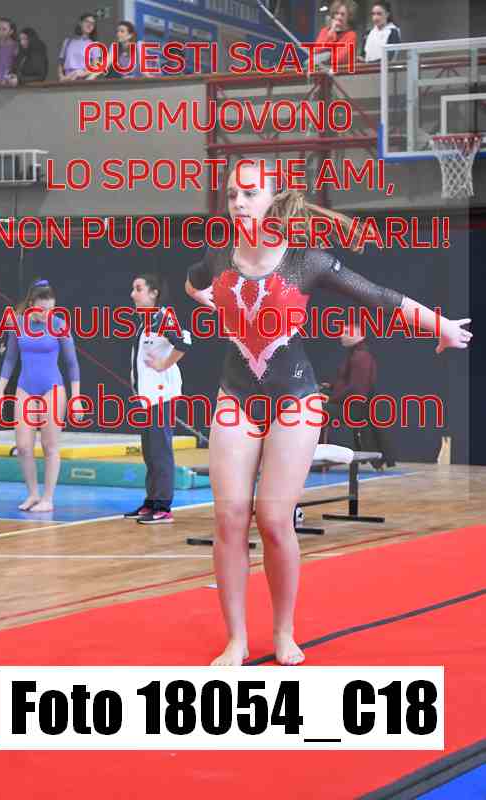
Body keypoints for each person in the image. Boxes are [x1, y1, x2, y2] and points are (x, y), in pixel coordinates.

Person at [185, 159, 472, 666]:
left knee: (274, 518)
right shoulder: (219, 256)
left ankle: (284, 631)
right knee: (229, 517)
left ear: (272, 199)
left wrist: (441, 326)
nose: (238, 203)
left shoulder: (306, 261)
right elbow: (194, 282)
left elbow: (379, 296)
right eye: (232, 195)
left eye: (249, 194)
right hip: (236, 397)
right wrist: (209, 301)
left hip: (294, 399)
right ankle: (236, 639)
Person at [0, 279, 83, 512]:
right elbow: (10, 359)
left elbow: (72, 364)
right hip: (25, 387)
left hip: (52, 388)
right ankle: (33, 494)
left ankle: (48, 498)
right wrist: (0, 392)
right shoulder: (18, 324)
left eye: (51, 310)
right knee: (23, 446)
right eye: (42, 310)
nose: (46, 315)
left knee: (49, 445)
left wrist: (76, 398)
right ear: (32, 304)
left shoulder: (59, 325)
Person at [124, 274, 192, 524]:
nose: (133, 294)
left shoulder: (163, 317)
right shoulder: (147, 321)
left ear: (154, 293)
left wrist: (164, 363)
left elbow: (184, 342)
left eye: (138, 289)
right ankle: (152, 501)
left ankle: (163, 506)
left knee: (160, 451)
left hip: (162, 396)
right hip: (148, 397)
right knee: (150, 452)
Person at [322, 324, 397, 467]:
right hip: (352, 407)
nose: (341, 335)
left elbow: (356, 390)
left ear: (360, 335)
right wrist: (330, 388)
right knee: (318, 408)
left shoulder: (361, 357)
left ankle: (317, 459)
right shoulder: (357, 355)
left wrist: (330, 398)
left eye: (346, 332)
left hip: (354, 410)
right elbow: (350, 385)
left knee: (315, 412)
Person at [58, 12, 102, 81]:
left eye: (92, 24)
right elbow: (60, 63)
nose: (89, 25)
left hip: (83, 80)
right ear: (80, 23)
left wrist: (81, 73)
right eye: (87, 21)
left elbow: (96, 67)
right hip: (66, 79)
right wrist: (61, 76)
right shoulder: (68, 42)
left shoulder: (94, 44)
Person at [315, 0, 358, 69]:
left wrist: (325, 57)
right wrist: (330, 33)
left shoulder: (351, 35)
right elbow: (317, 50)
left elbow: (341, 58)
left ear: (348, 17)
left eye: (342, 14)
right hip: (321, 72)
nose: (339, 17)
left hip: (341, 73)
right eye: (336, 13)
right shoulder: (324, 31)